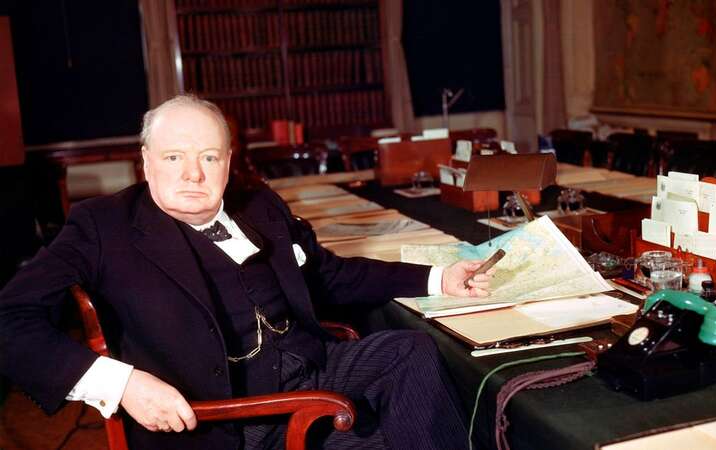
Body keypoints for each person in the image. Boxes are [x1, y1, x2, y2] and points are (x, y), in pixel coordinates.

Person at [0, 95, 494, 449]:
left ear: (228, 161)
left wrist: (437, 278)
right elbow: (10, 320)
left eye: (208, 157)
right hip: (229, 419)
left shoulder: (258, 204)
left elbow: (329, 275)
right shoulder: (103, 226)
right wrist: (122, 384)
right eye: (174, 157)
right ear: (146, 163)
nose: (193, 173)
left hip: (311, 376)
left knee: (410, 350)